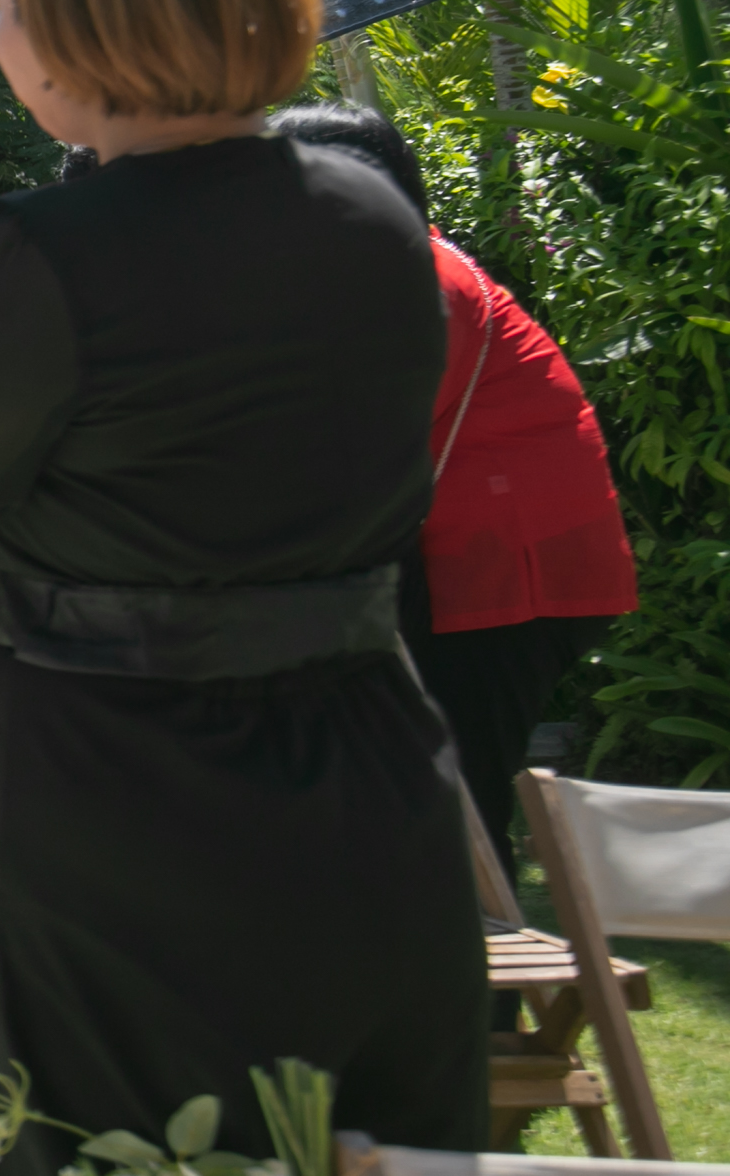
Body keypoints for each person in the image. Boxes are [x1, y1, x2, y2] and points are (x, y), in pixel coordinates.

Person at [0, 0, 483, 1165]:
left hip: (114, 802)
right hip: (363, 769)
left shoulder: (27, 261)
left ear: (66, 14)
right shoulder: (371, 213)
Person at [267, 102, 639, 883]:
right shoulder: (386, 262)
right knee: (421, 789)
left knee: (451, 795)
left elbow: (353, 438)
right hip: (470, 559)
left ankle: (484, 992)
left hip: (508, 575)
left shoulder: (415, 274)